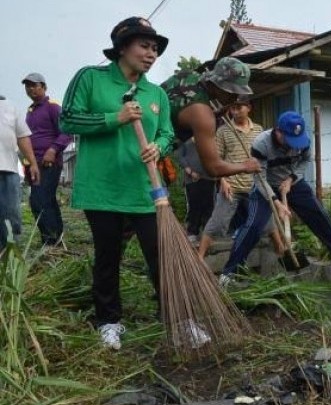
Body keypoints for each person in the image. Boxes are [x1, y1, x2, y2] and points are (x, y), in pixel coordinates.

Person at [59, 17, 208, 350]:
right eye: (144, 46)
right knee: (108, 256)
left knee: (161, 254)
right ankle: (109, 321)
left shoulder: (155, 93)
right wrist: (117, 118)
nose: (151, 54)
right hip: (103, 188)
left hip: (146, 189)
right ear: (122, 48)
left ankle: (178, 319)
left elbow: (168, 132)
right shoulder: (90, 78)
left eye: (155, 48)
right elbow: (67, 118)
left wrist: (161, 145)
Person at [219, 111, 331, 286]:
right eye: (288, 140)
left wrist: (291, 179)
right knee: (254, 226)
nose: (294, 145)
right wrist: (276, 202)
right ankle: (229, 272)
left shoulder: (302, 141)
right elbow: (259, 177)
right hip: (265, 185)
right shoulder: (261, 144)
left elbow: (305, 160)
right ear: (278, 131)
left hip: (291, 183)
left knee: (318, 214)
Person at [197, 100, 283, 259]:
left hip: (255, 185)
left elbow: (265, 157)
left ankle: (281, 251)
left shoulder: (258, 130)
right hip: (232, 186)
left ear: (249, 108)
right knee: (217, 222)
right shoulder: (223, 131)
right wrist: (222, 180)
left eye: (238, 107)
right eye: (232, 108)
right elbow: (217, 159)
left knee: (268, 222)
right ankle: (199, 257)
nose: (234, 111)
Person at [161, 56, 260, 177]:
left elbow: (181, 108)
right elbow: (214, 168)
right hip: (145, 153)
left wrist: (213, 116)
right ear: (218, 84)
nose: (236, 98)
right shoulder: (203, 114)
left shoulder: (189, 75)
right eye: (232, 91)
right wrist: (246, 166)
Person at [22, 72, 72, 246]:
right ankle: (55, 239)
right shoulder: (30, 111)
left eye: (34, 85)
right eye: (28, 86)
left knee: (40, 200)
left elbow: (66, 132)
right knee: (45, 200)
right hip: (33, 163)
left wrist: (53, 149)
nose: (31, 89)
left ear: (44, 87)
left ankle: (50, 242)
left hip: (48, 162)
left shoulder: (53, 107)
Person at [0, 95, 39, 252]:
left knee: (10, 216)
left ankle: (9, 257)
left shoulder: (9, 106)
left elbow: (22, 137)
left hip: (8, 171)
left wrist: (33, 163)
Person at [178, 137, 215, 244]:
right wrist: (189, 171)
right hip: (191, 179)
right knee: (194, 205)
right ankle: (192, 231)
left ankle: (207, 233)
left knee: (208, 205)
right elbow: (180, 156)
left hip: (208, 177)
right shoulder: (185, 140)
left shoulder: (207, 138)